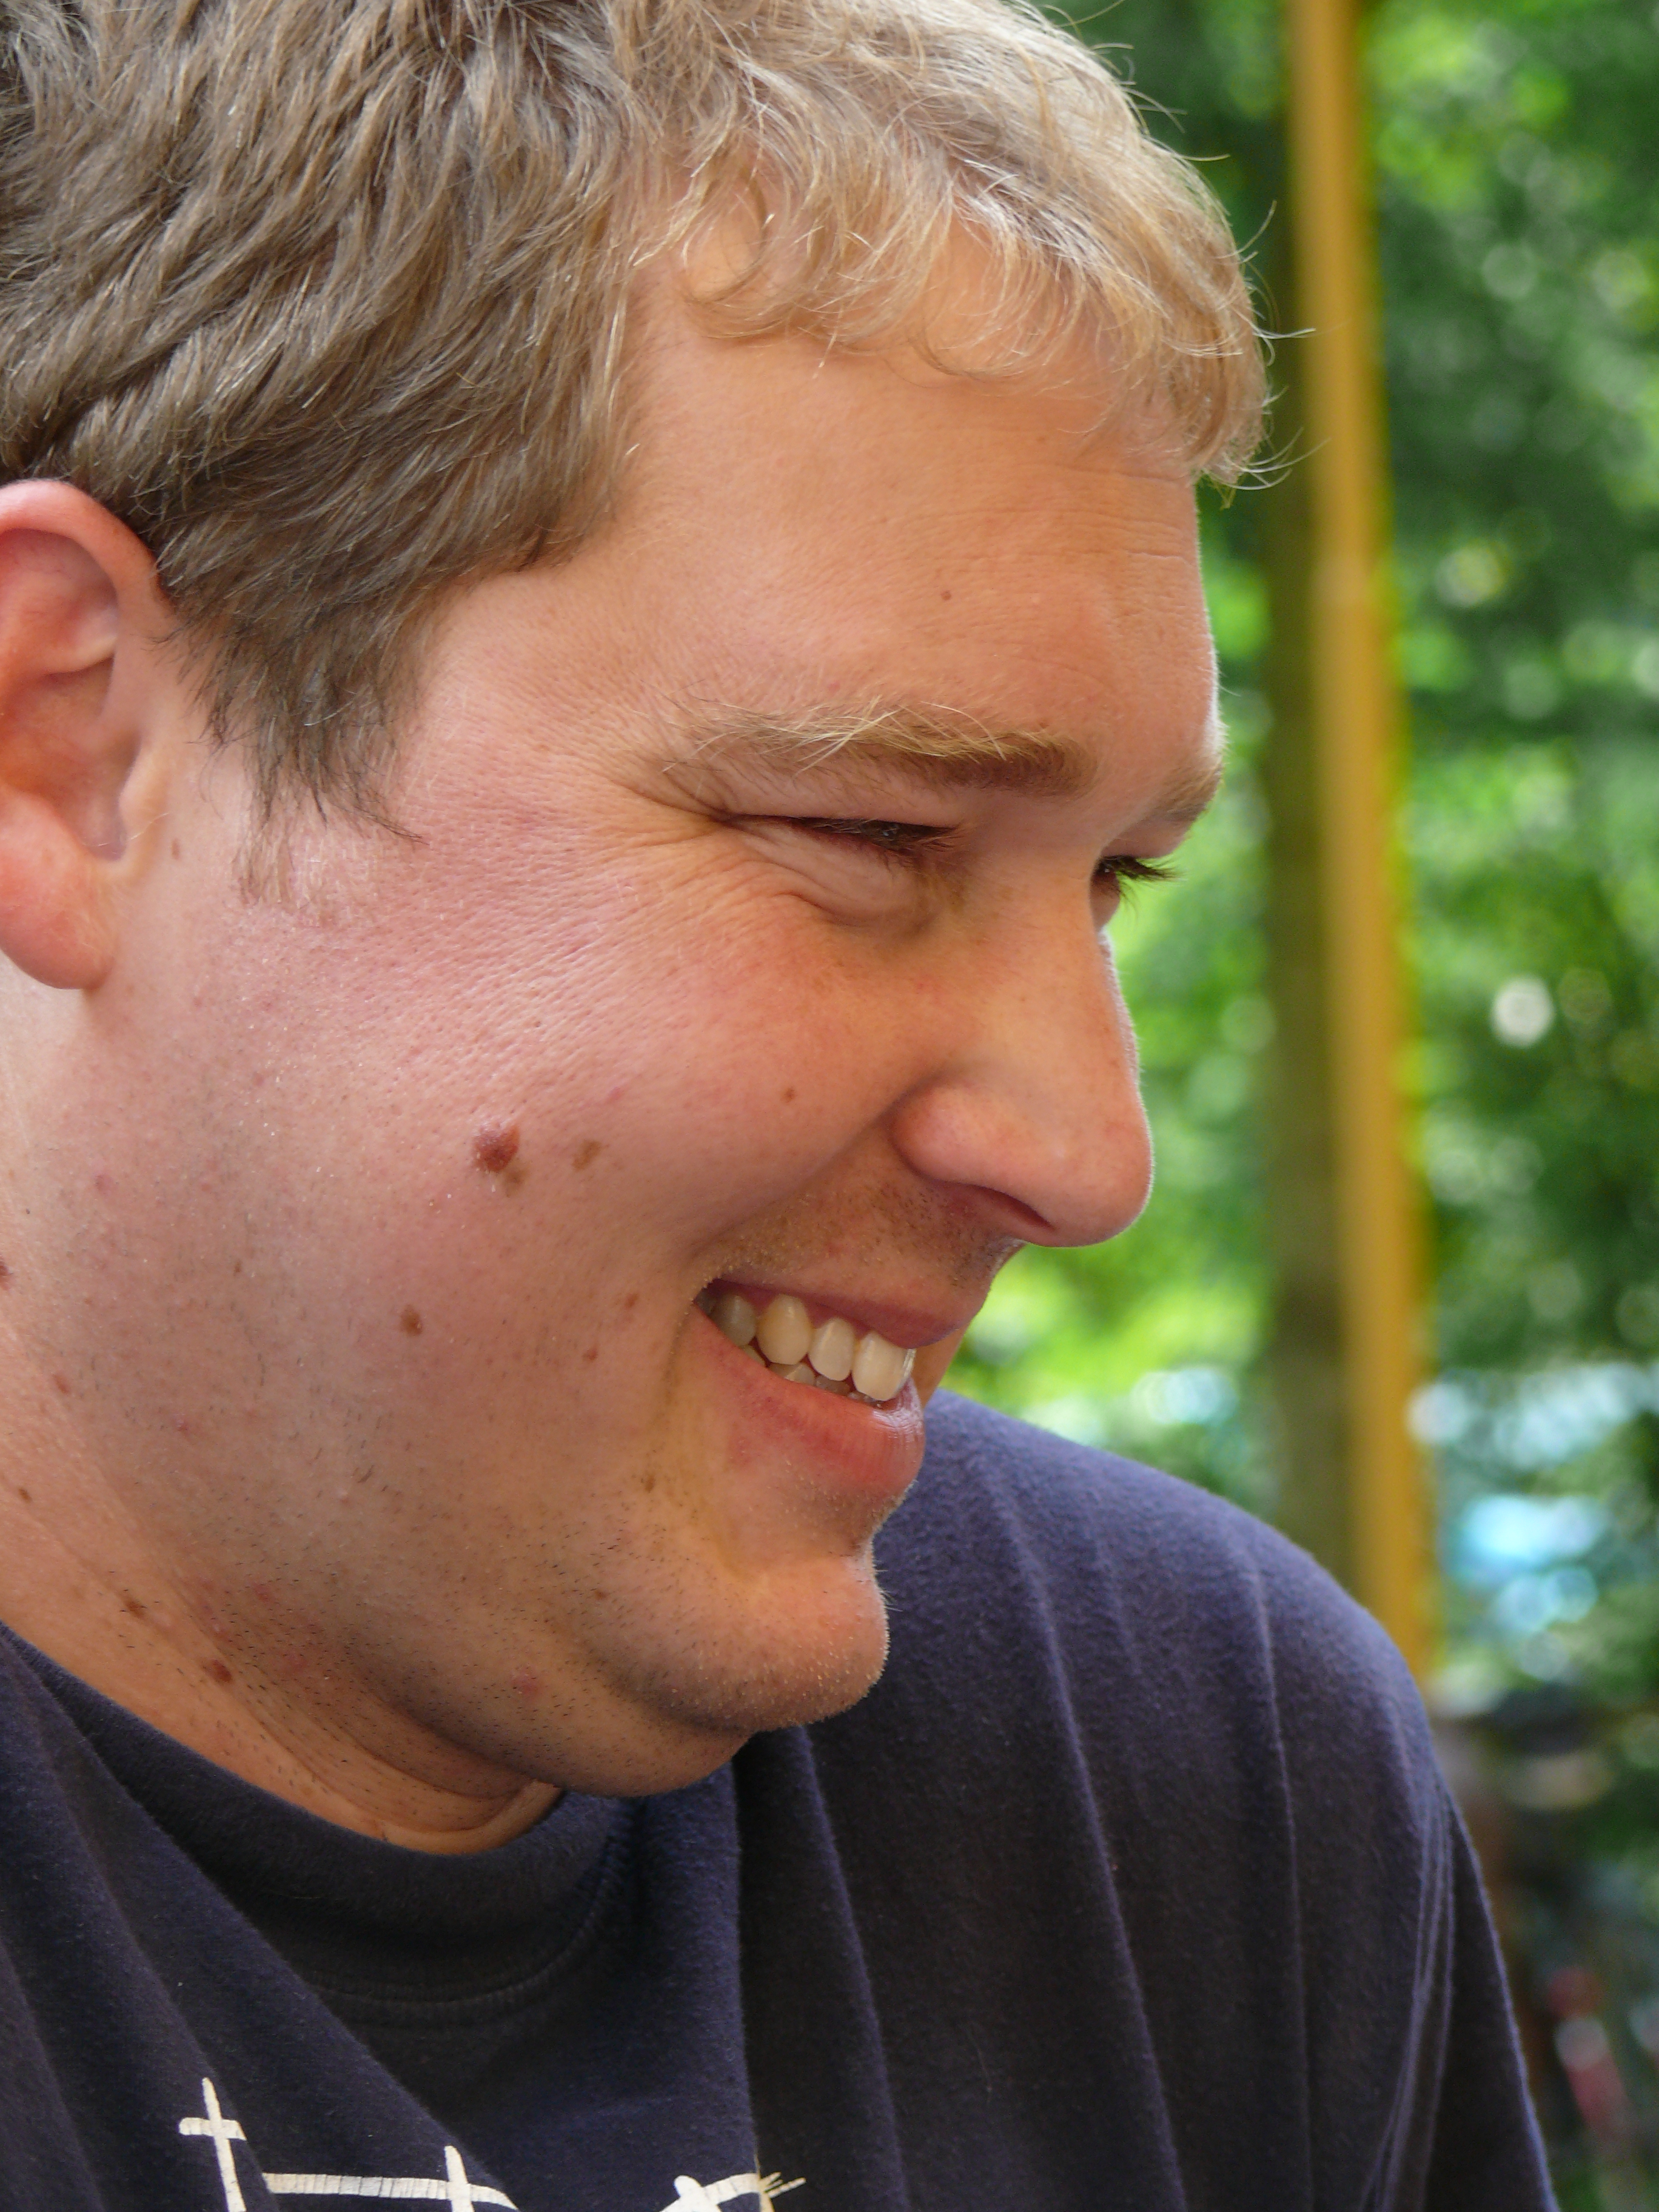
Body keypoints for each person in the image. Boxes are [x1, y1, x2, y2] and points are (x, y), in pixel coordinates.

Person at [0, 0, 1554, 2204]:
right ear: (74, 746)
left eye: (1114, 881)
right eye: (873, 838)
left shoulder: (1201, 1791)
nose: (1089, 1158)